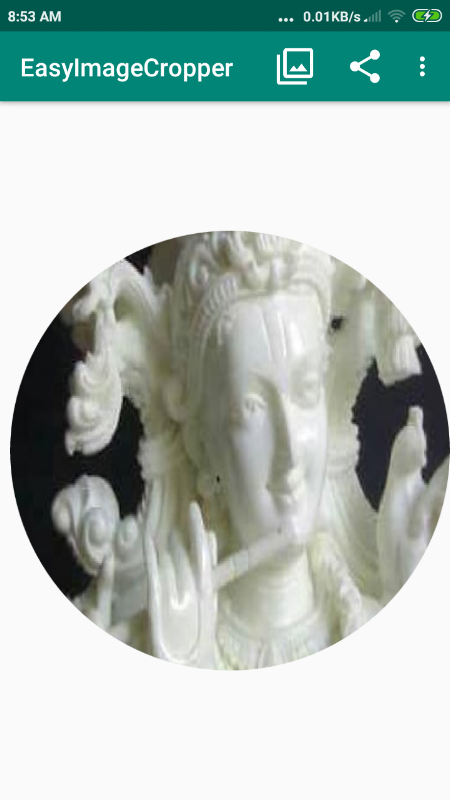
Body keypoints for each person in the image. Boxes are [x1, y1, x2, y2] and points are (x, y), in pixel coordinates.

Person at [52, 232, 448, 669]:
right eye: (252, 408)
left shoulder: (376, 618)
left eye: (306, 390)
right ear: (202, 442)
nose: (290, 453)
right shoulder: (148, 641)